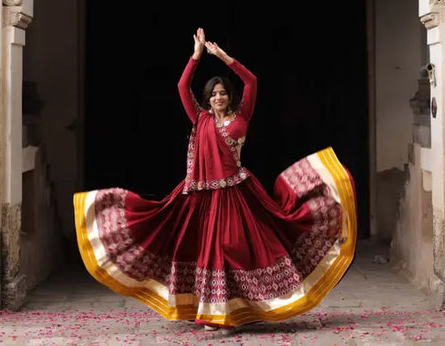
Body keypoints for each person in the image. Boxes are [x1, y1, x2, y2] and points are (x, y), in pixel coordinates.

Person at [74, 28, 356, 332]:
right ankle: (215, 313)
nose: (218, 97)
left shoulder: (241, 118)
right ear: (208, 100)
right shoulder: (200, 119)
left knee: (235, 248)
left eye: (222, 93)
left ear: (229, 97)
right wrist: (195, 57)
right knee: (207, 251)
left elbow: (252, 81)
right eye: (213, 94)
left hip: (237, 195)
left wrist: (224, 58)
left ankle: (241, 309)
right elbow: (182, 87)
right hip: (202, 198)